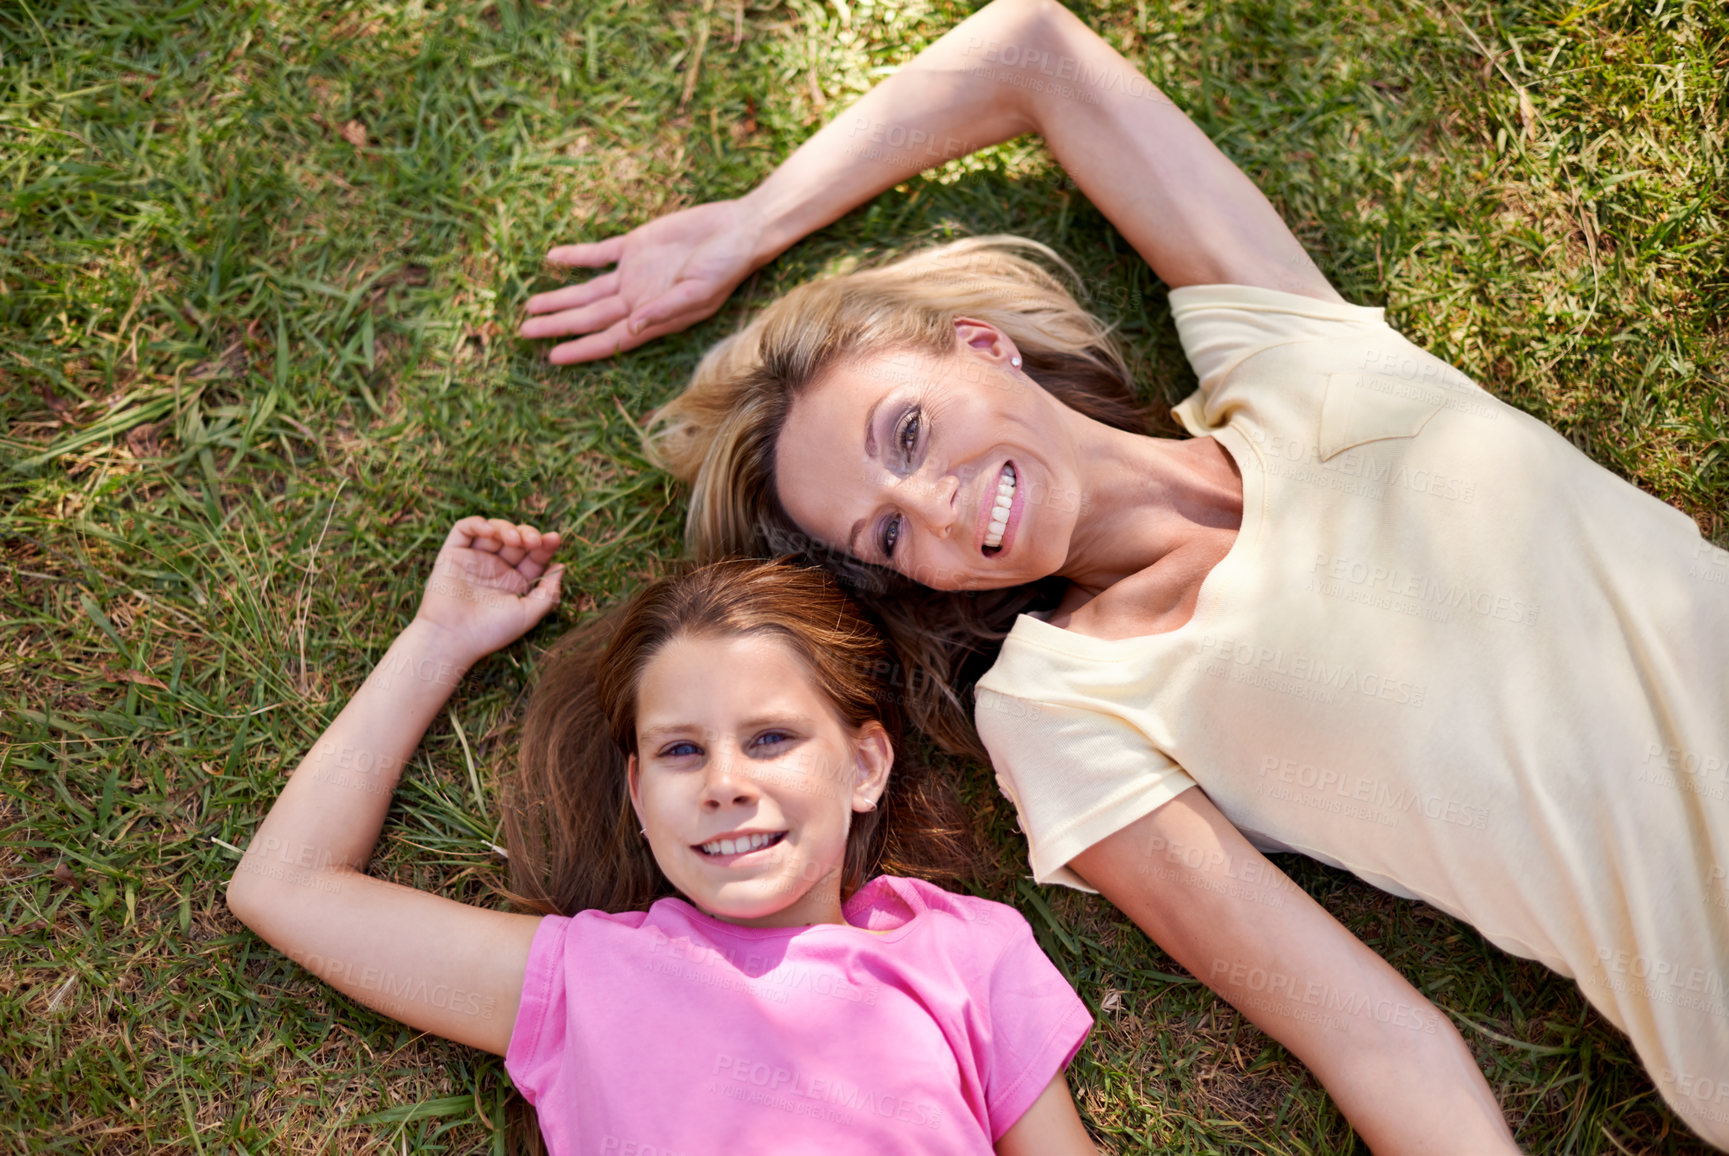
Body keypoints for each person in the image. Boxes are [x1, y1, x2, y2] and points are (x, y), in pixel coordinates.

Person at [517, 0, 1729, 1150]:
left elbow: (1033, 49)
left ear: (981, 347)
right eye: (887, 535)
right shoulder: (1065, 709)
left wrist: (751, 224)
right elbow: (1372, 1034)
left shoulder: (1295, 358)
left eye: (907, 432)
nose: (931, 503)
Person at [223, 516, 1099, 1156]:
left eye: (770, 739)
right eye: (682, 751)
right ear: (641, 796)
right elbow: (285, 884)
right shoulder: (583, 981)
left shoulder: (961, 951)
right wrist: (437, 642)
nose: (725, 783)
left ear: (864, 765)